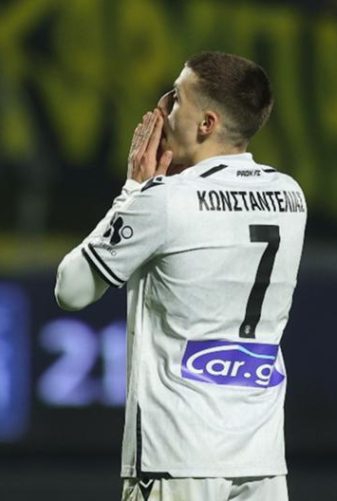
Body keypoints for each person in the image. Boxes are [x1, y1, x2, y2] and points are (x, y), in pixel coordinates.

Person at [55, 51, 307, 501]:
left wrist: (133, 191)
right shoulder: (291, 196)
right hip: (262, 459)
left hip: (178, 456)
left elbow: (70, 289)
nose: (162, 108)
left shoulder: (166, 201)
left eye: (175, 99)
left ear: (207, 123)